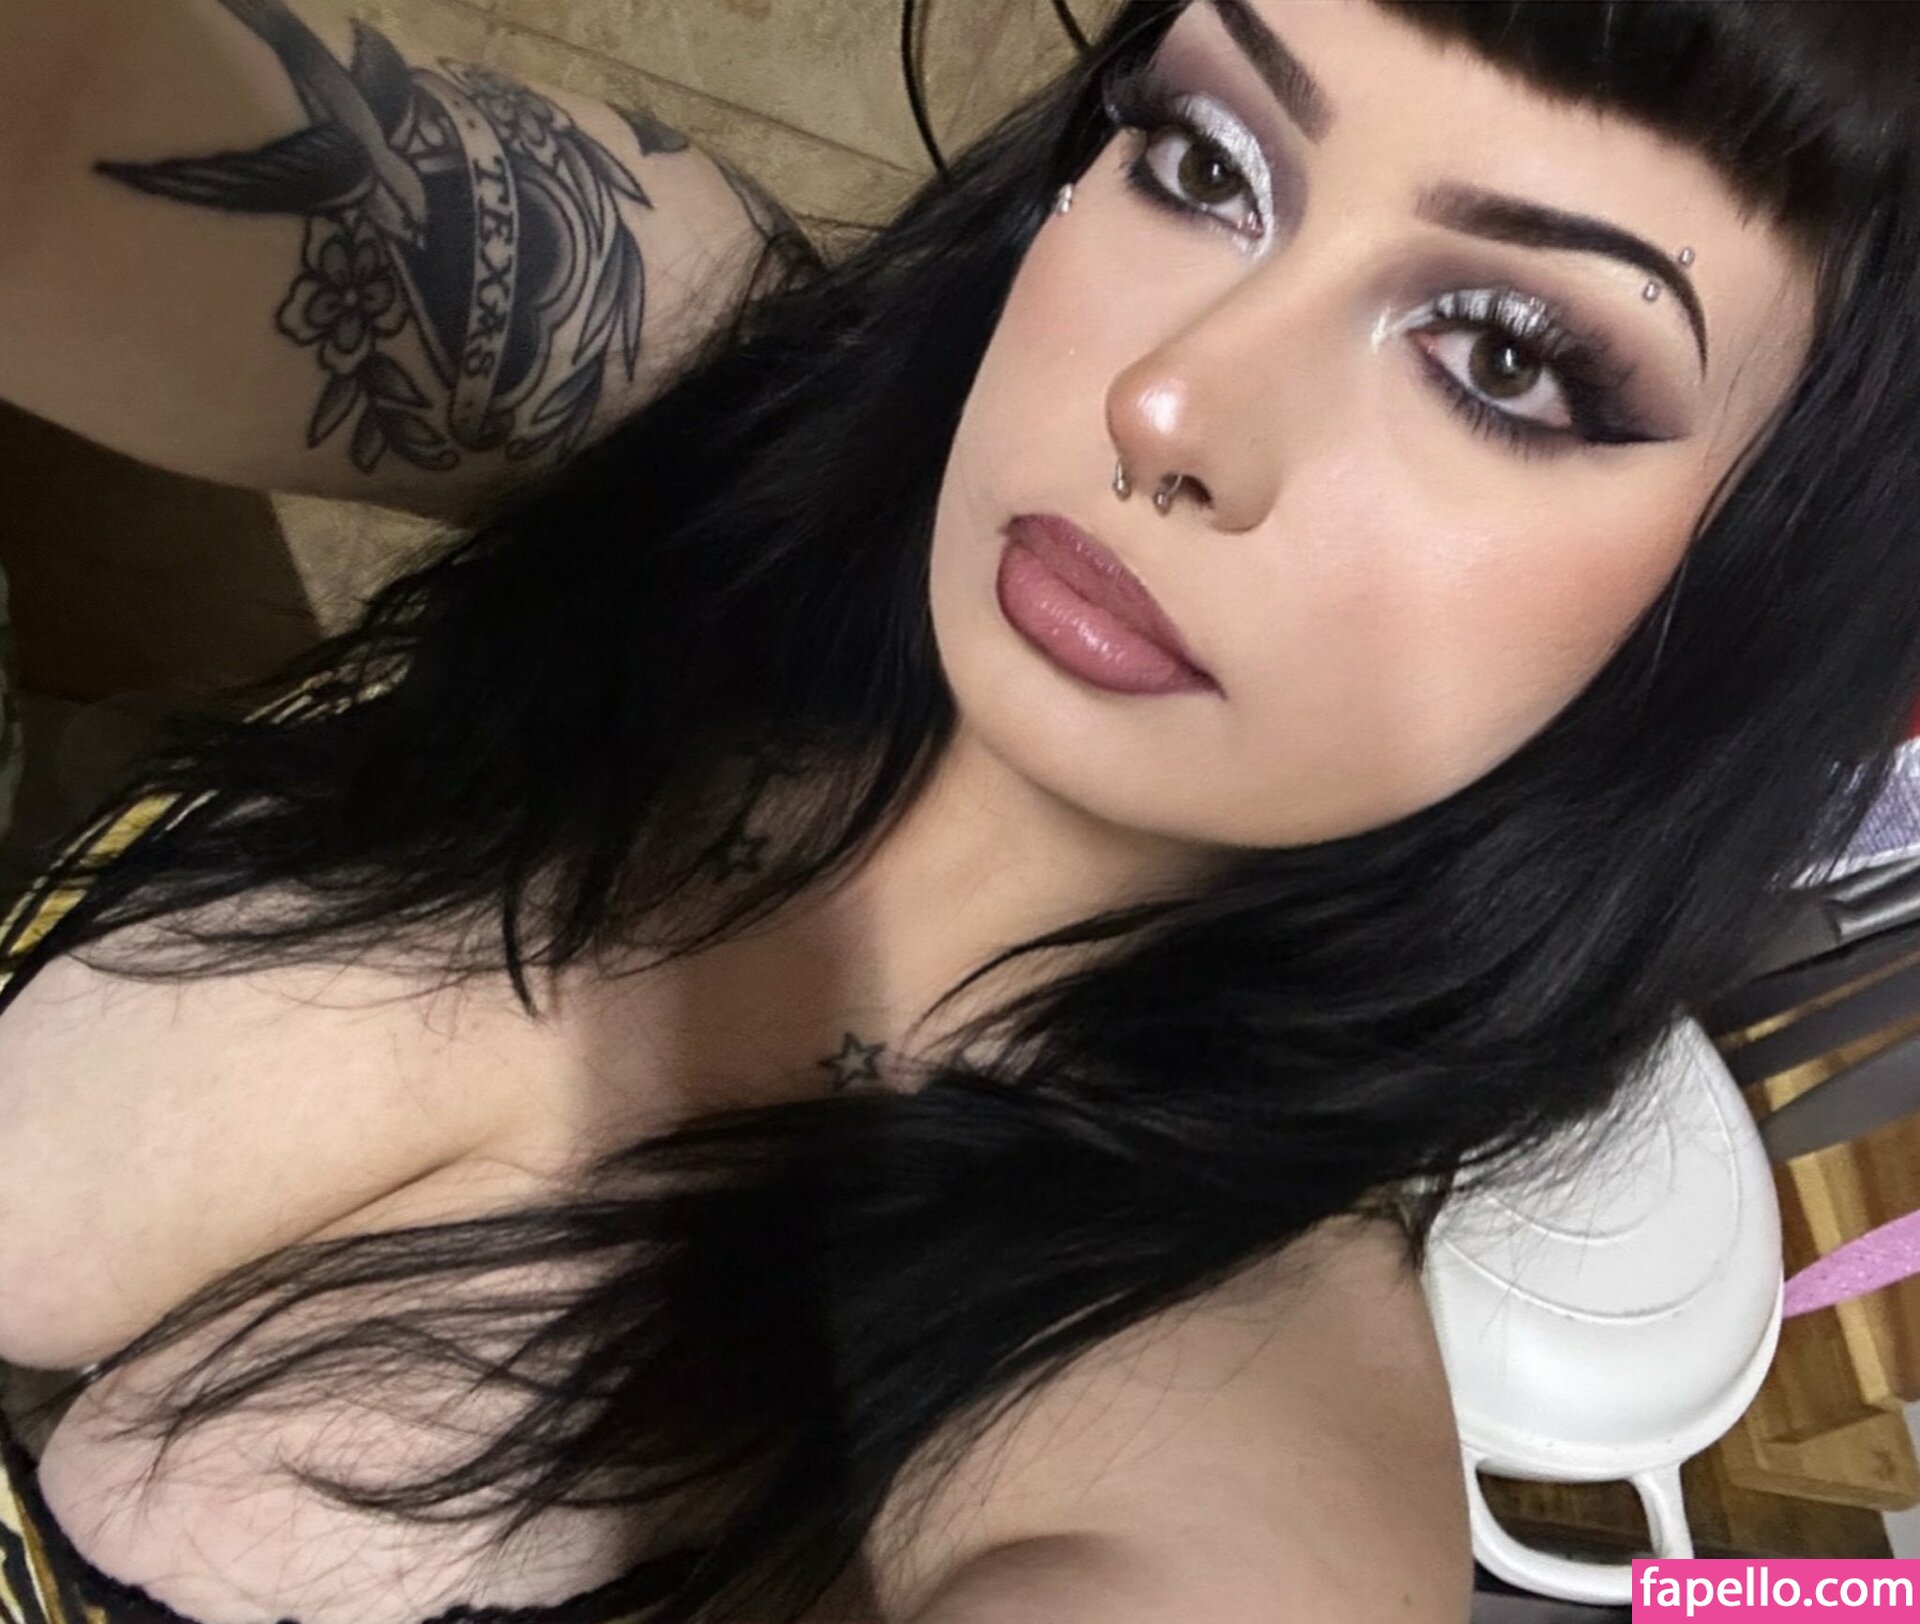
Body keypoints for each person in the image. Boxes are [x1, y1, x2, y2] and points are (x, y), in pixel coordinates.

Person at [0, 0, 1915, 1619]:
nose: (1169, 403)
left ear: (1755, 603)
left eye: (1504, 358)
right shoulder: (714, 382)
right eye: (1206, 163)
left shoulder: (1215, 1451)